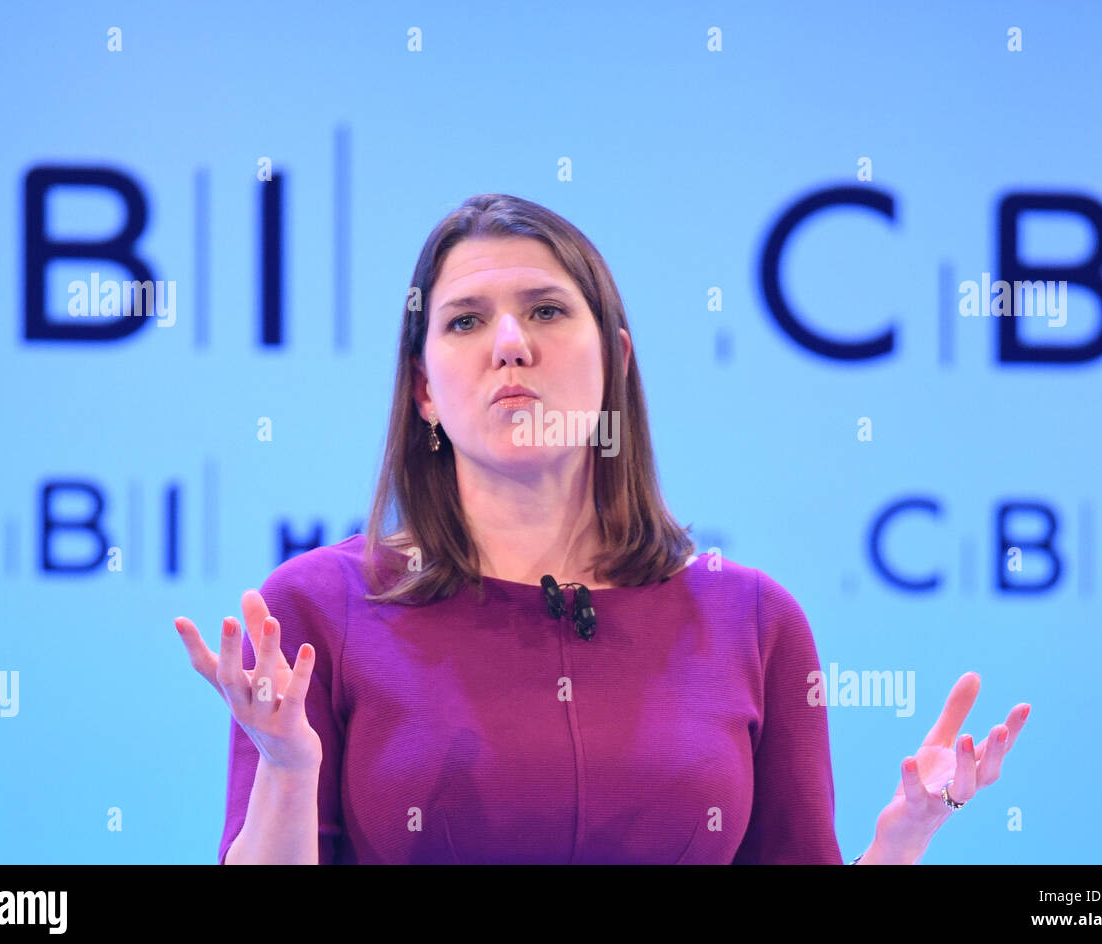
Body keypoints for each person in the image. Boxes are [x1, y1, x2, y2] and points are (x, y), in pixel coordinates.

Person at [174, 194, 1031, 864]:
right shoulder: (319, 613)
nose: (510, 343)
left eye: (547, 311)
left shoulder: (754, 624)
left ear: (616, 358)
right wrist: (288, 770)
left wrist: (902, 841)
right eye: (466, 321)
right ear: (425, 391)